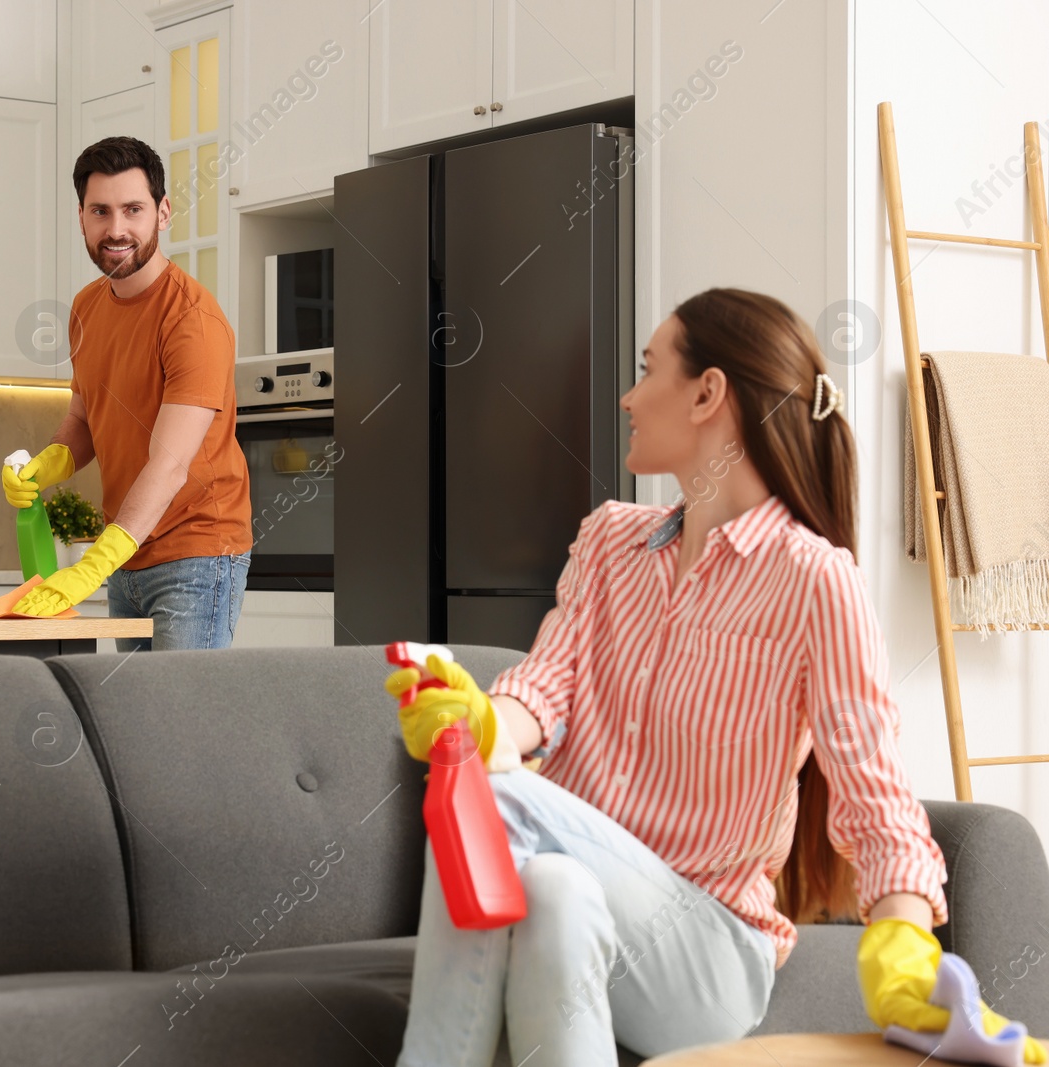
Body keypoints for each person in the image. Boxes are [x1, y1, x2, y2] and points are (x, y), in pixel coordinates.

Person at [387, 289, 1046, 1065]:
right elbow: (545, 686)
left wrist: (902, 939)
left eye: (648, 369)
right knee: (554, 892)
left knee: (487, 791)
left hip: (705, 950)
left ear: (708, 393)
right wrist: (485, 720)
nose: (629, 396)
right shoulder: (609, 541)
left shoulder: (811, 580)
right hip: (584, 896)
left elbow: (876, 791)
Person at [4, 136, 252, 651]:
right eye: (101, 211)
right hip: (126, 556)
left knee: (175, 721)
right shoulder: (86, 308)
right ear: (81, 218)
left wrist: (93, 564)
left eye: (133, 209)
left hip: (197, 552)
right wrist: (47, 466)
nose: (116, 230)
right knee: (131, 723)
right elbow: (84, 422)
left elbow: (168, 464)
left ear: (162, 213)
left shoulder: (192, 321)